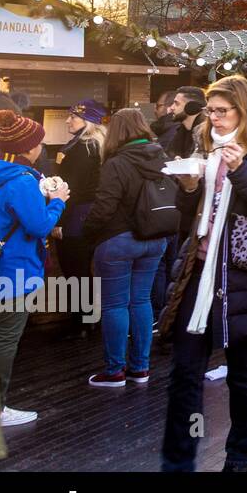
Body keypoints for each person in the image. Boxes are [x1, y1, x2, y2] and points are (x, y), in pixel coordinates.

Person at [158, 75, 247, 471]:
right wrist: (188, 187)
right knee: (185, 370)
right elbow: (192, 216)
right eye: (210, 111)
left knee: (244, 369)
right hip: (200, 269)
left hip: (243, 272)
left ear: (244, 109)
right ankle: (177, 461)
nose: (214, 119)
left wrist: (239, 168)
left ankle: (241, 457)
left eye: (222, 112)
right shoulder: (204, 140)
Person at [80, 108, 173, 387]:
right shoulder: (162, 157)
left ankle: (115, 370)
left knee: (115, 304)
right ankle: (140, 368)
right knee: (141, 301)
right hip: (155, 239)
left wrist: (87, 232)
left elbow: (105, 207)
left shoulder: (116, 163)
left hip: (118, 240)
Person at [0, 110, 70, 429]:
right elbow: (38, 226)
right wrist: (57, 201)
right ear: (28, 148)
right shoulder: (21, 180)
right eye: (39, 143)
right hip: (14, 274)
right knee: (5, 340)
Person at [53, 98, 106, 339]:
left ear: (88, 121)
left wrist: (59, 221)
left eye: (73, 116)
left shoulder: (82, 148)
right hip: (87, 213)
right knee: (83, 268)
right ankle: (88, 319)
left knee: (74, 267)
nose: (67, 120)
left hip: (75, 214)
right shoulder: (95, 145)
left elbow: (70, 188)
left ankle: (81, 322)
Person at [159, 87, 206, 160]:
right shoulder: (181, 132)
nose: (172, 108)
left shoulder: (205, 133)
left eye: (176, 103)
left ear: (191, 107)